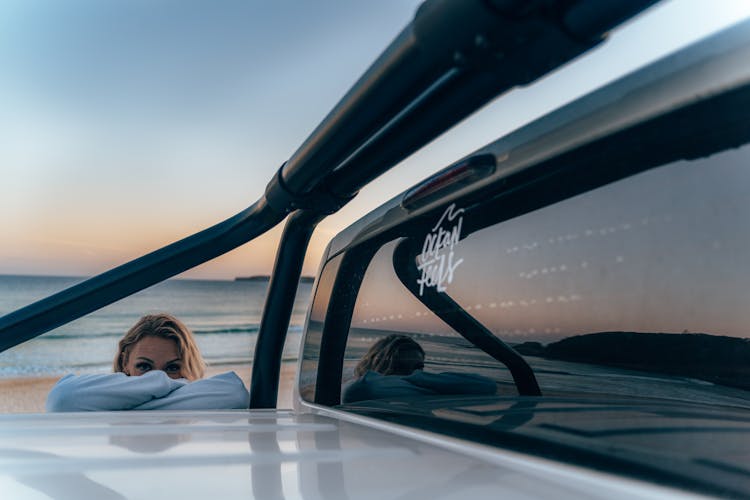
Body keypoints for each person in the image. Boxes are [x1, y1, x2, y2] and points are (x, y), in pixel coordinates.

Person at [46, 313, 249, 412]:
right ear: (125, 361)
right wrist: (175, 385)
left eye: (172, 368)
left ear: (188, 367)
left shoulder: (98, 402)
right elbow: (61, 398)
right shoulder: (196, 401)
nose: (157, 377)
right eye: (144, 366)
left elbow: (235, 393)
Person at [342, 334, 497, 403]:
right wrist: (423, 381)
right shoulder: (360, 389)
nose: (412, 373)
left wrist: (420, 378)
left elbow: (488, 386)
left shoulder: (414, 388)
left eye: (418, 367)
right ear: (378, 366)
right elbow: (372, 387)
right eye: (400, 367)